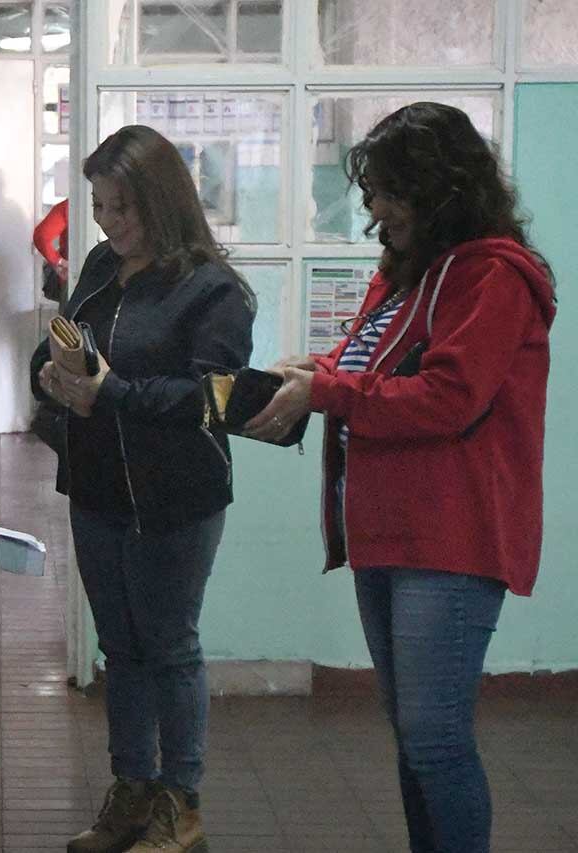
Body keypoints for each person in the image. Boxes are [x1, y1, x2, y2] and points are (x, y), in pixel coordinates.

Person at [246, 102, 555, 853]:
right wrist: (310, 369)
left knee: (436, 737)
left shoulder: (492, 275)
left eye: (387, 192)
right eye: (372, 192)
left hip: (450, 536)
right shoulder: (409, 270)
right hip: (388, 532)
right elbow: (369, 367)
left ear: (439, 188)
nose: (374, 210)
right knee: (416, 737)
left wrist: (325, 391)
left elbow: (449, 397)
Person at [30, 125, 256, 853]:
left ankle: (179, 803)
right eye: (99, 206)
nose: (108, 223)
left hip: (175, 496)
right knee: (120, 649)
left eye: (122, 207)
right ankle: (131, 792)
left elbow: (211, 397)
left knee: (170, 646)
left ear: (162, 202)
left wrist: (111, 392)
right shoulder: (100, 263)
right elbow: (63, 334)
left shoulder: (214, 289)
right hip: (96, 485)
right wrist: (50, 371)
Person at [33, 198, 69, 302]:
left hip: (73, 280)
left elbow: (41, 236)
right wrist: (59, 261)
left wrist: (59, 261)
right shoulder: (114, 206)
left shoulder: (70, 206)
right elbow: (41, 237)